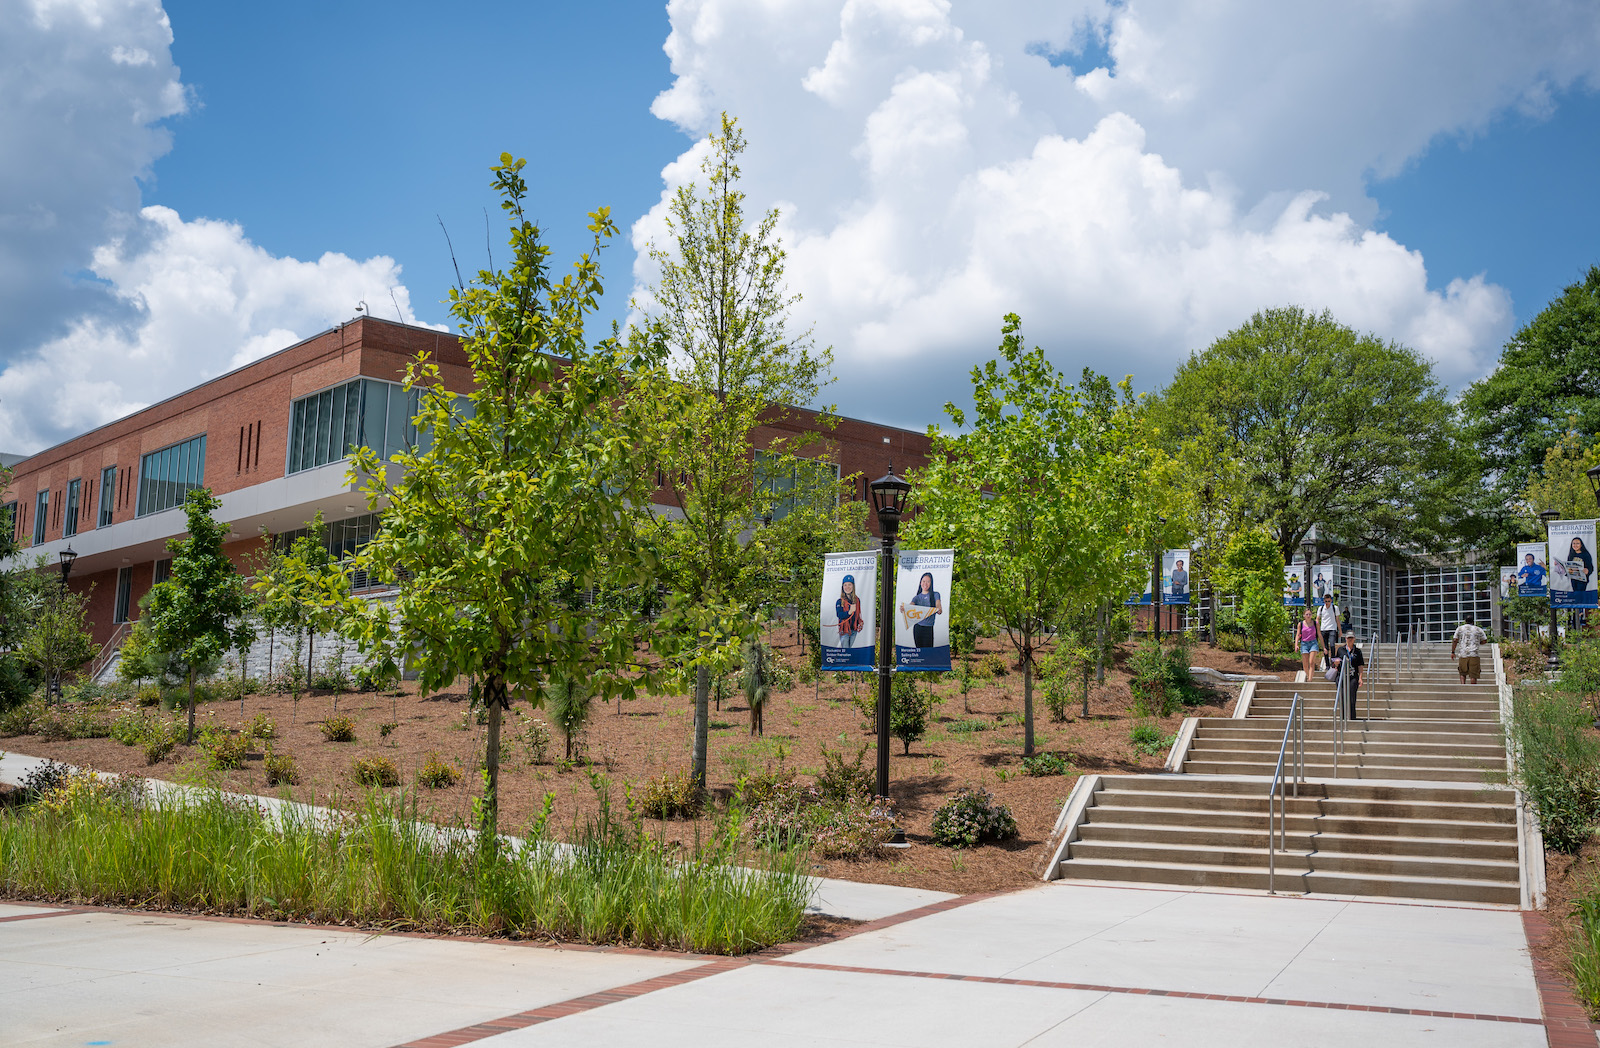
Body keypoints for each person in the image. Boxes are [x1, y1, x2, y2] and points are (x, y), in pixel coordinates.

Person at [901, 571, 943, 648]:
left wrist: (938, 609)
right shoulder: (916, 598)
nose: (925, 584)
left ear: (931, 583)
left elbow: (938, 606)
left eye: (928, 582)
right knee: (919, 654)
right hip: (918, 628)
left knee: (928, 653)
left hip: (928, 629)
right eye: (923, 581)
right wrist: (904, 608)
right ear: (920, 583)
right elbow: (911, 606)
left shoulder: (935, 595)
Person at [1329, 631, 1364, 718]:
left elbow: (1360, 665)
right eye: (1348, 638)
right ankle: (1343, 717)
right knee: (1342, 696)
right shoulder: (1341, 650)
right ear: (1345, 639)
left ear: (1354, 639)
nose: (1350, 640)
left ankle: (1352, 717)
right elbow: (1334, 663)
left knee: (1352, 697)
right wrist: (1336, 663)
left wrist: (1360, 678)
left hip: (1353, 676)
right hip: (1341, 676)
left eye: (1351, 638)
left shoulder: (1358, 651)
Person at [1451, 611, 1488, 684]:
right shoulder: (1478, 629)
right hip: (1474, 654)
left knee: (1462, 673)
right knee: (1473, 675)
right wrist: (1478, 643)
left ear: (1465, 621)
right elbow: (1485, 640)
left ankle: (1463, 687)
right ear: (1473, 622)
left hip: (1463, 653)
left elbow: (1455, 640)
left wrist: (1453, 652)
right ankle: (1473, 689)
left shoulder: (1460, 628)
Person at [834, 575, 864, 648]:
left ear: (853, 586)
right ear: (842, 587)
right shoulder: (840, 601)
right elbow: (839, 615)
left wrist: (860, 622)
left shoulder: (857, 600)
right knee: (846, 653)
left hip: (854, 630)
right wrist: (849, 612)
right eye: (845, 585)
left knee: (852, 653)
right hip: (844, 631)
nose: (847, 587)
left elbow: (858, 614)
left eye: (849, 585)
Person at [1296, 609, 1321, 680]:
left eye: (1310, 614)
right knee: (1305, 664)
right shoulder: (1300, 624)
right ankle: (1308, 675)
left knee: (1311, 661)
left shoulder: (1315, 623)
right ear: (1304, 615)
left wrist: (1323, 646)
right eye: (1307, 614)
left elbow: (1319, 634)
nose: (1308, 616)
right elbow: (1298, 634)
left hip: (1313, 643)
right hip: (1304, 644)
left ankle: (1310, 679)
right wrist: (1296, 645)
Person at [1317, 594, 1341, 664]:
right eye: (1326, 601)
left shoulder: (1335, 608)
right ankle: (1327, 664)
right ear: (1324, 601)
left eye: (1329, 601)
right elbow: (1317, 618)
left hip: (1332, 628)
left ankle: (1333, 661)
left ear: (1331, 600)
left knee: (1332, 645)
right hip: (1323, 629)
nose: (1327, 603)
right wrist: (1316, 627)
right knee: (1325, 648)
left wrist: (1340, 630)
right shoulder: (1321, 608)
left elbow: (1337, 620)